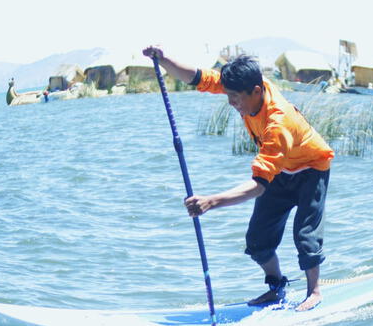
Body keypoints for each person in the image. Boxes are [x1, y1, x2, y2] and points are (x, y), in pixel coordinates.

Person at [142, 46, 334, 311]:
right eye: (228, 95)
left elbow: (258, 185)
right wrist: (163, 60)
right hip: (281, 170)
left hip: (311, 169)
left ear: (256, 91)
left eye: (235, 97)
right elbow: (198, 77)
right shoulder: (245, 85)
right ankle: (277, 288)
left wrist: (212, 201)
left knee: (305, 235)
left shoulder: (278, 123)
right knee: (257, 241)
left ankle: (314, 291)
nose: (231, 102)